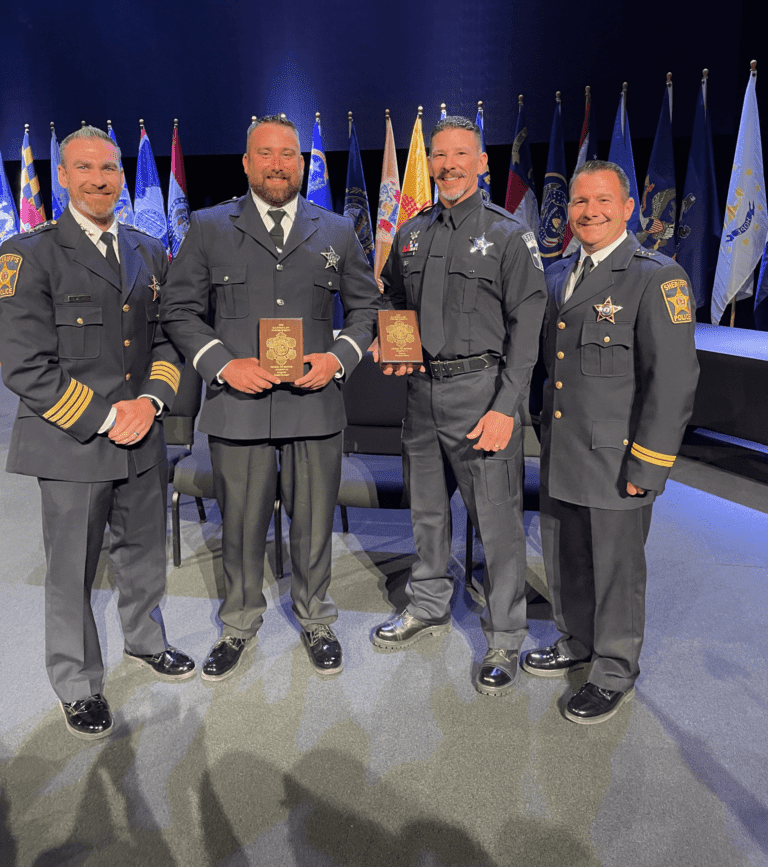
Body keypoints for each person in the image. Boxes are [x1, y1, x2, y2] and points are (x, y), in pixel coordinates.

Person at [160, 115, 381, 680]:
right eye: (266, 153)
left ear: (302, 164)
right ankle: (238, 624)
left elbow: (367, 312)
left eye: (288, 154)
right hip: (239, 404)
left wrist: (338, 359)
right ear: (246, 162)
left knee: (312, 522)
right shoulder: (209, 227)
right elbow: (179, 310)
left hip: (315, 404)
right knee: (240, 525)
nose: (278, 163)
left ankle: (316, 619)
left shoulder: (335, 229)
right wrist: (222, 364)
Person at [0, 126, 195, 741]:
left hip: (143, 433)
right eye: (85, 168)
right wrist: (110, 415)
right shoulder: (26, 255)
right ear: (62, 176)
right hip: (74, 441)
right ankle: (76, 682)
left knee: (143, 553)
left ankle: (143, 639)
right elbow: (23, 364)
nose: (101, 179)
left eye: (110, 168)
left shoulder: (147, 249)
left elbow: (167, 341)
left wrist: (153, 400)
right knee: (71, 570)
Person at [372, 116, 547, 696]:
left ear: (482, 164)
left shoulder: (507, 235)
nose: (447, 165)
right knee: (426, 511)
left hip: (482, 394)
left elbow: (528, 332)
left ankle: (505, 635)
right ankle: (427, 605)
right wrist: (388, 335)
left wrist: (507, 409)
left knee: (496, 522)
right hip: (422, 393)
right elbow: (393, 296)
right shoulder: (412, 232)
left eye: (459, 155)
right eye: (439, 157)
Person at [522, 160, 699, 723]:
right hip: (564, 449)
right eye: (578, 202)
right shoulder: (556, 276)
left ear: (629, 208)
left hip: (619, 457)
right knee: (566, 555)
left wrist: (648, 466)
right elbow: (547, 369)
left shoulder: (656, 275)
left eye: (602, 201)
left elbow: (671, 382)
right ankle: (576, 641)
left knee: (617, 569)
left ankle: (615, 668)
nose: (589, 212)